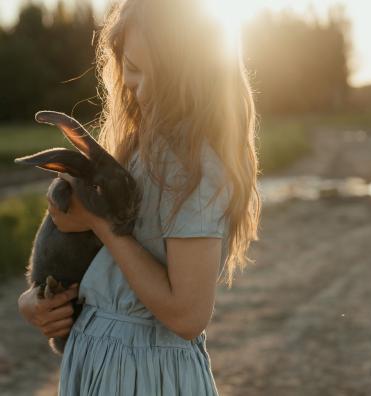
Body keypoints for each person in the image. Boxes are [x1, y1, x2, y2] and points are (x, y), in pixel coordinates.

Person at [17, 0, 260, 394]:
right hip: (99, 363)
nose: (141, 90)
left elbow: (187, 316)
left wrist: (100, 222)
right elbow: (100, 272)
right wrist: (35, 304)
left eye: (159, 77)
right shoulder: (135, 150)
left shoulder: (195, 169)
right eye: (132, 69)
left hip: (147, 374)